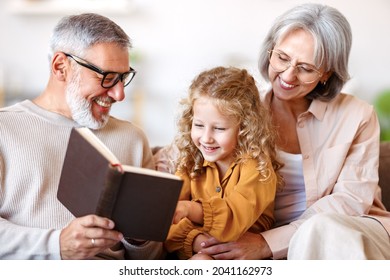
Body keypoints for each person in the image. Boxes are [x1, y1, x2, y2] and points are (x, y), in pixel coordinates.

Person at [155, 3, 390, 259]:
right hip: (255, 237)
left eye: (306, 68)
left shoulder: (357, 115)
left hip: (347, 232)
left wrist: (267, 243)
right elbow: (182, 153)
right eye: (282, 58)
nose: (288, 75)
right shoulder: (242, 112)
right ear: (270, 51)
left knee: (323, 228)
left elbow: (350, 202)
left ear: (326, 73)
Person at [0, 13, 163, 260]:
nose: (119, 94)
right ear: (60, 67)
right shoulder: (5, 129)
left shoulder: (132, 138)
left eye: (123, 78)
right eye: (107, 77)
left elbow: (149, 261)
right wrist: (57, 245)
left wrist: (140, 237)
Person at [163, 66, 282, 260]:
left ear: (244, 127)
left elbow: (233, 218)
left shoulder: (257, 166)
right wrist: (196, 240)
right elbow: (166, 220)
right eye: (199, 125)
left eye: (219, 128)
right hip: (200, 254)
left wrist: (189, 209)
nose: (206, 138)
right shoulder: (191, 161)